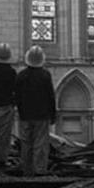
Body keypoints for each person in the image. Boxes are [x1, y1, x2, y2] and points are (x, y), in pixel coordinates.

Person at [15, 45, 56, 176]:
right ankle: (39, 170)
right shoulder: (45, 75)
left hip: (25, 115)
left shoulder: (21, 75)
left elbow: (17, 96)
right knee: (40, 144)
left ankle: (26, 170)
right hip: (42, 115)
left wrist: (20, 112)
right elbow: (50, 96)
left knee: (26, 143)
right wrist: (53, 114)